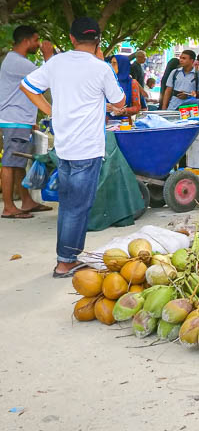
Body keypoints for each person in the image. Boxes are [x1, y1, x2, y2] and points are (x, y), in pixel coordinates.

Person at [20, 17, 126, 277]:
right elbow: (120, 102)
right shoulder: (100, 68)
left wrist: (51, 111)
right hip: (87, 148)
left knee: (69, 205)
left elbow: (27, 86)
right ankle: (65, 261)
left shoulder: (57, 62)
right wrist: (103, 64)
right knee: (78, 206)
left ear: (72, 38)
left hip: (65, 147)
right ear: (98, 40)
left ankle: (66, 257)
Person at [0, 25, 55, 219]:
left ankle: (26, 201)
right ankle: (8, 207)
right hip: (14, 121)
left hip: (19, 120)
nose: (39, 45)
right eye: (37, 40)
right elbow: (47, 78)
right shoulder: (18, 62)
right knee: (9, 162)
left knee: (18, 162)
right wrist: (48, 56)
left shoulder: (16, 60)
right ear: (27, 41)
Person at [105, 54, 142, 119]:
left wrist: (124, 110)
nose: (111, 66)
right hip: (104, 122)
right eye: (111, 63)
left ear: (122, 65)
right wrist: (104, 106)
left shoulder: (132, 83)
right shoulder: (106, 81)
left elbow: (137, 107)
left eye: (114, 63)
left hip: (124, 123)